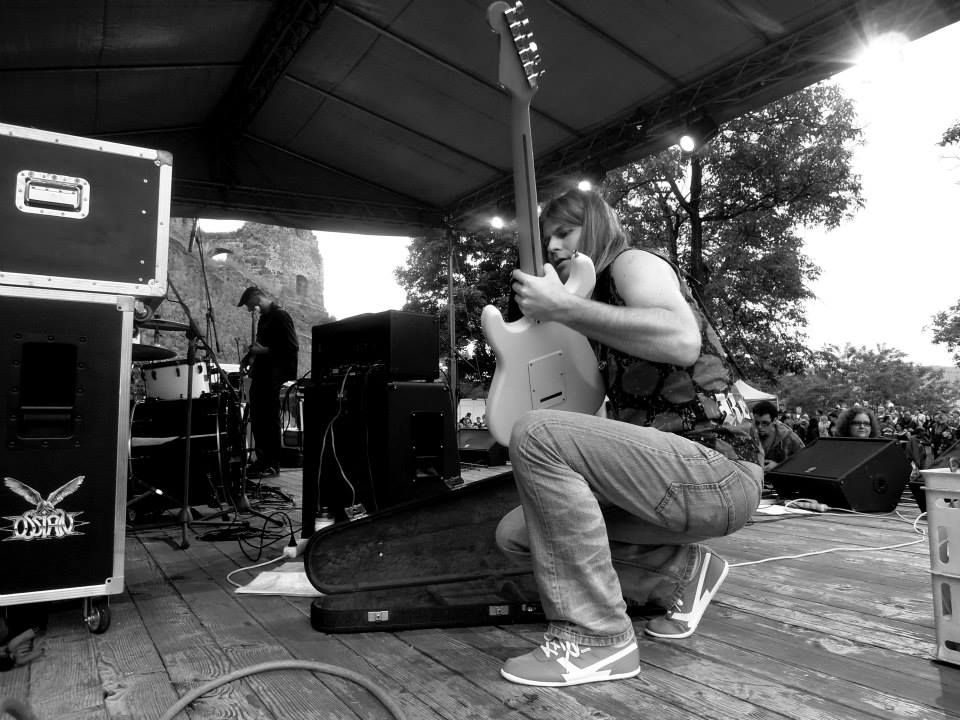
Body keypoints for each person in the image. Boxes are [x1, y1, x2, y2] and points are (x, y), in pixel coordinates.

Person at [493, 188, 763, 687]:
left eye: (564, 232)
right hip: (669, 478)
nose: (552, 246)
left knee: (535, 431)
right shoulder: (595, 311)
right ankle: (683, 572)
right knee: (518, 533)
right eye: (547, 237)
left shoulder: (632, 263)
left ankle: (598, 639)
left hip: (719, 470)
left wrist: (564, 308)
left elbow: (682, 341)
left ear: (595, 227)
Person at [237, 286, 299, 477]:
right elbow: (260, 346)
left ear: (257, 297)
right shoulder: (264, 319)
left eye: (249, 304)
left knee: (269, 419)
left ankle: (272, 464)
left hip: (274, 375)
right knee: (258, 418)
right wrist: (248, 358)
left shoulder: (281, 316)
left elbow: (291, 347)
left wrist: (263, 351)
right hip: (262, 374)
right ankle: (262, 461)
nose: (249, 309)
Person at [751, 400, 805, 471]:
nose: (760, 427)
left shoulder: (790, 438)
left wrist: (778, 466)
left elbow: (805, 463)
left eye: (765, 423)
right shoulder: (750, 435)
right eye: (757, 423)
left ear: (774, 420)